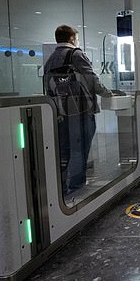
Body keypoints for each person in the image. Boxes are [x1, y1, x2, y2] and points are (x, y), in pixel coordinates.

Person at [43, 25, 112, 196]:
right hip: (81, 110)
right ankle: (76, 187)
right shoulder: (76, 54)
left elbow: (47, 87)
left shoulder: (50, 59)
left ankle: (62, 187)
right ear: (72, 38)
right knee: (80, 148)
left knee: (64, 149)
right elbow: (91, 79)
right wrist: (107, 93)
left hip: (60, 112)